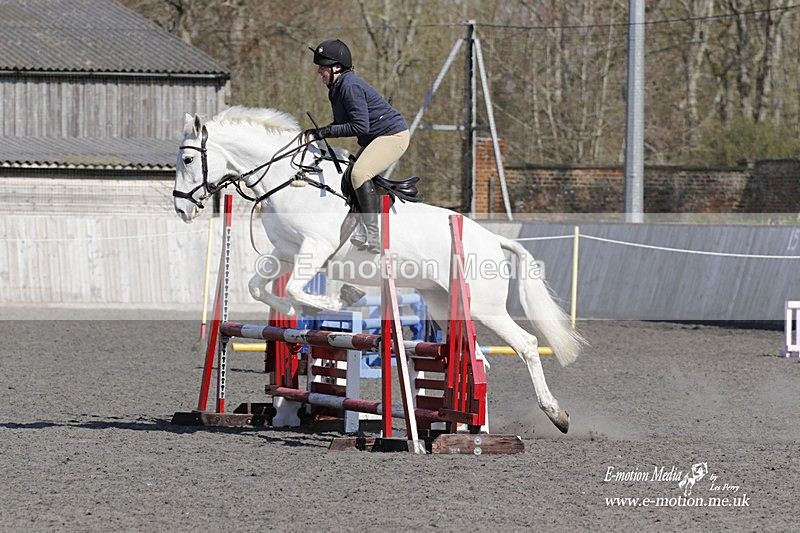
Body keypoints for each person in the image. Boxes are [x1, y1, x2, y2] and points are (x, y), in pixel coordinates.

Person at [304, 39, 410, 254]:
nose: (319, 72)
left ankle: (373, 235)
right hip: (376, 137)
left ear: (337, 67)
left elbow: (360, 126)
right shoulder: (336, 88)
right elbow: (342, 124)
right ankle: (360, 228)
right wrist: (318, 132)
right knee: (347, 178)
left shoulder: (349, 86)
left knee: (359, 174)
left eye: (323, 67)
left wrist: (326, 132)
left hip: (393, 136)